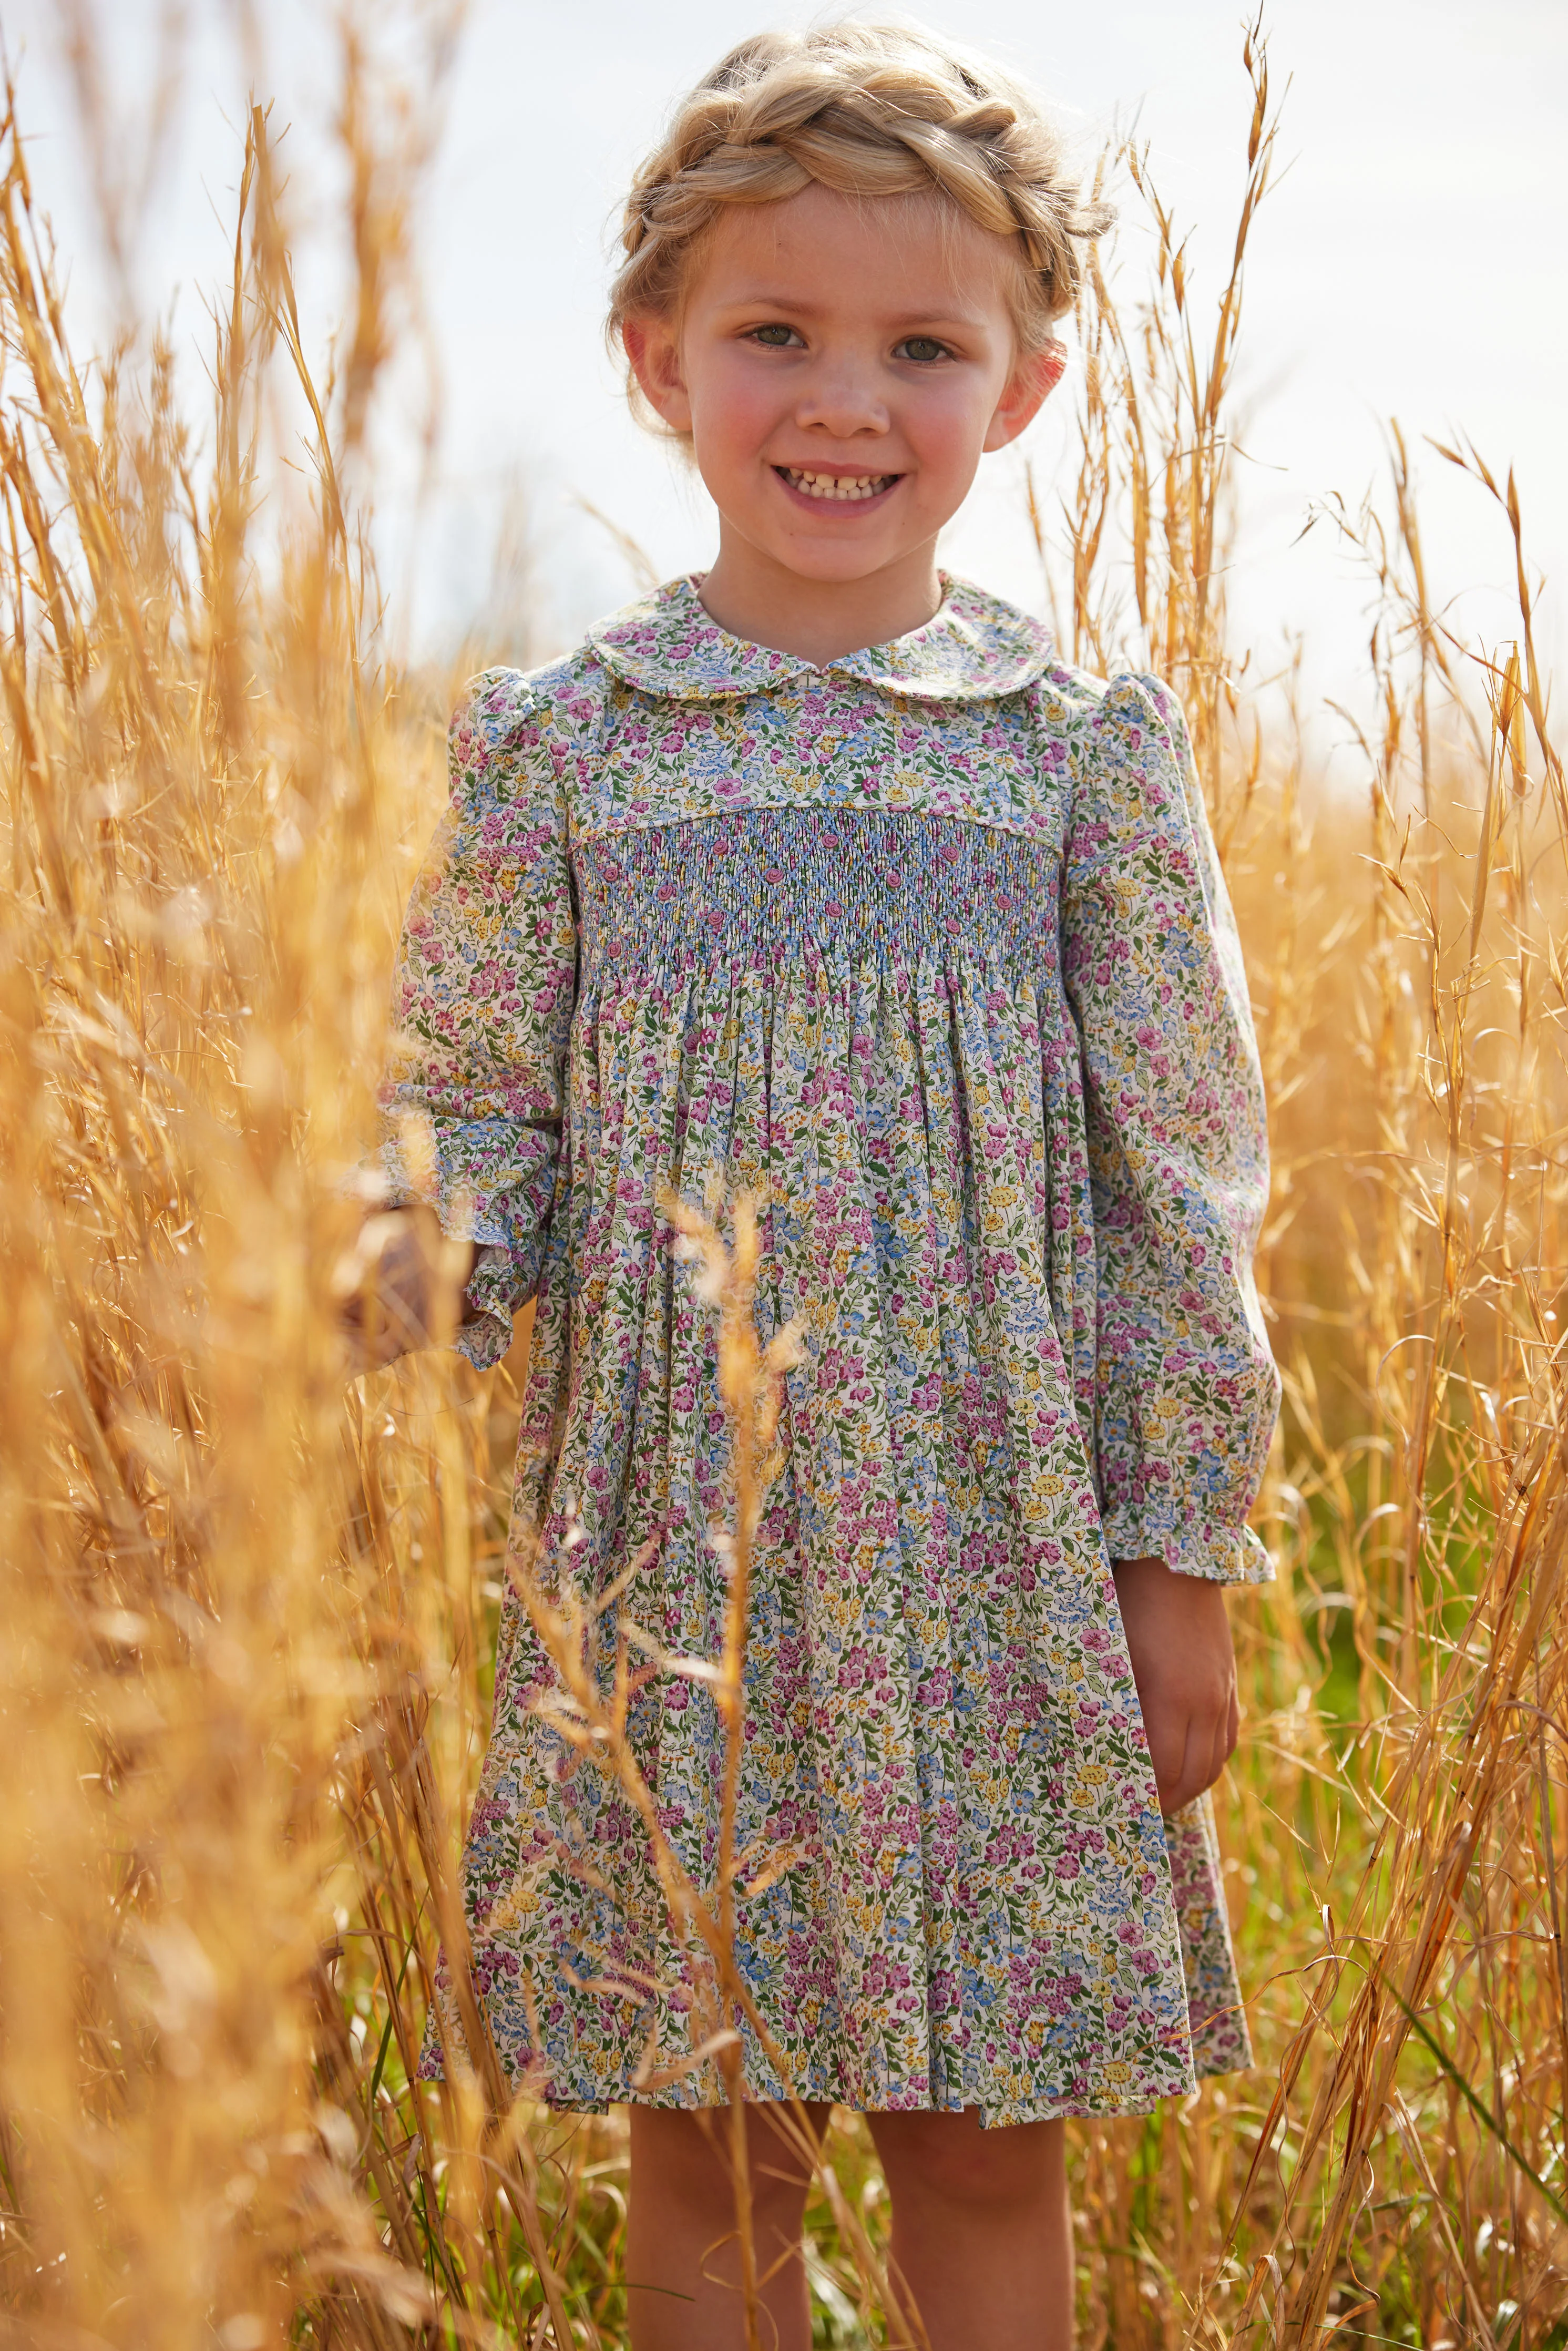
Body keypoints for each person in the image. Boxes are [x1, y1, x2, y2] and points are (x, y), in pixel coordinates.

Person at [347, 23, 1280, 2348]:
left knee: (986, 2139)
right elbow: (472, 1096)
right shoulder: (560, 744)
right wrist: (409, 1243)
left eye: (919, 348)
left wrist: (1180, 1568)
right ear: (655, 363)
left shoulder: (1076, 754)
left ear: (1026, 389)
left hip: (1000, 1560)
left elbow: (1183, 1170)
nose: (844, 400)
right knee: (713, 2130)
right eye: (775, 333)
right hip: (677, 1556)